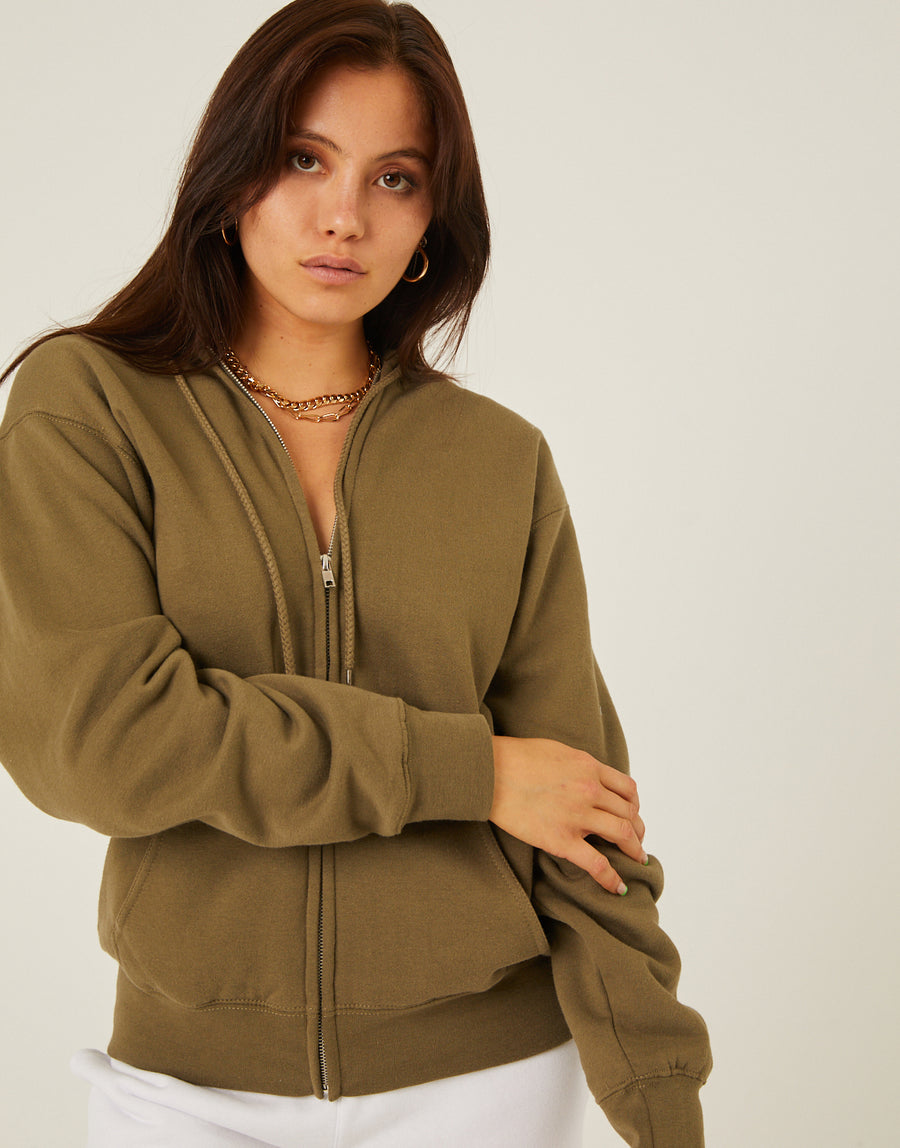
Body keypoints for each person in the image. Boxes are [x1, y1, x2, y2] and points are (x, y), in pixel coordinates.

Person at [0, 2, 711, 1144]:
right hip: (186, 1088)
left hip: (490, 1082)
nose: (344, 216)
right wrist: (468, 770)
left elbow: (583, 814)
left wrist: (661, 1100)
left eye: (395, 178)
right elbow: (101, 743)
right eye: (304, 158)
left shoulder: (498, 459)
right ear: (231, 175)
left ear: (432, 218)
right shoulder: (88, 407)